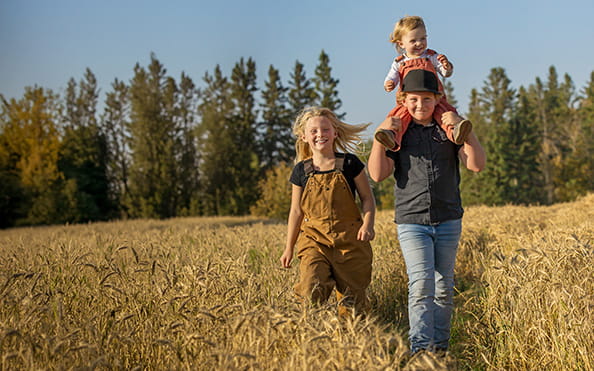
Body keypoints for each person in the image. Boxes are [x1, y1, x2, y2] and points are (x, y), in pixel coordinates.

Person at [368, 69, 486, 355]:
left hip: (448, 219)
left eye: (427, 99)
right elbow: (377, 174)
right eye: (413, 99)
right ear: (403, 100)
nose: (420, 105)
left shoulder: (447, 131)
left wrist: (464, 131)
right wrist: (379, 138)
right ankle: (421, 352)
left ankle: (441, 350)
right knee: (421, 285)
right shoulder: (398, 133)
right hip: (412, 221)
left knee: (444, 287)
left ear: (438, 99)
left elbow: (476, 165)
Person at [280, 106, 376, 318]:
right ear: (304, 136)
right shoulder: (300, 171)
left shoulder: (350, 164)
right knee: (310, 288)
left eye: (325, 129)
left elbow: (368, 199)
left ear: (335, 133)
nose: (320, 134)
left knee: (354, 305)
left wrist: (368, 224)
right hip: (315, 240)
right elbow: (296, 211)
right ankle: (310, 338)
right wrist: (288, 248)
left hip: (350, 241)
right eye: (313, 131)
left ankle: (350, 344)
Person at [375, 15, 472, 151]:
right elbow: (392, 77)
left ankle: (455, 131)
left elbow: (445, 73)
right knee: (399, 116)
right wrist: (389, 83)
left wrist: (447, 66)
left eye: (423, 39)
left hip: (434, 97)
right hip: (408, 100)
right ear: (401, 43)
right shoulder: (399, 62)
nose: (419, 43)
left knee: (444, 113)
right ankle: (391, 135)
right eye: (413, 40)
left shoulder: (431, 56)